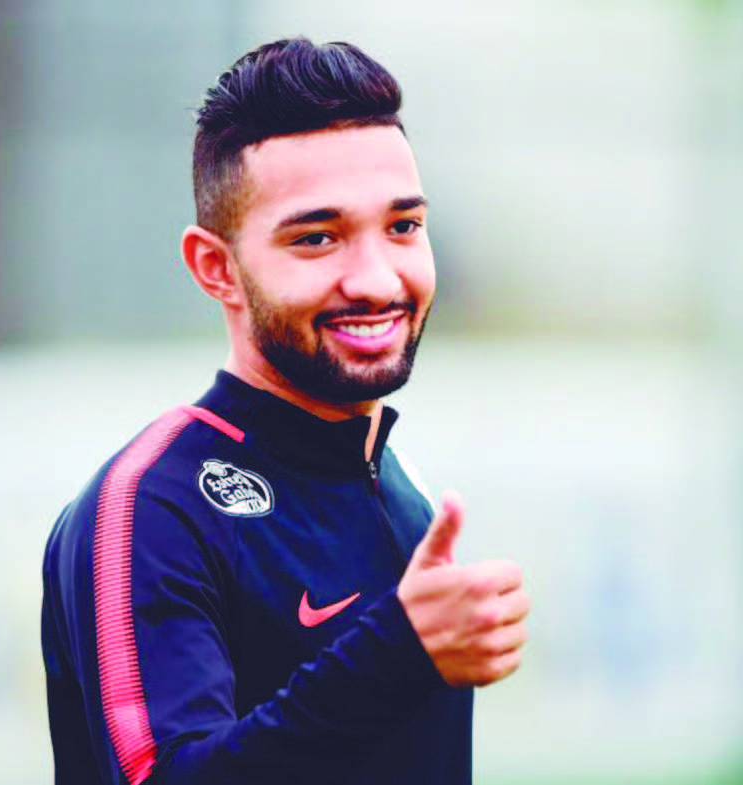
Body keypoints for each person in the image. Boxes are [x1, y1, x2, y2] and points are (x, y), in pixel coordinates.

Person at [41, 37, 530, 785]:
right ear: (217, 268)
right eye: (317, 238)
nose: (376, 280)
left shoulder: (400, 486)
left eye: (402, 226)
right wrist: (398, 651)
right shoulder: (152, 507)